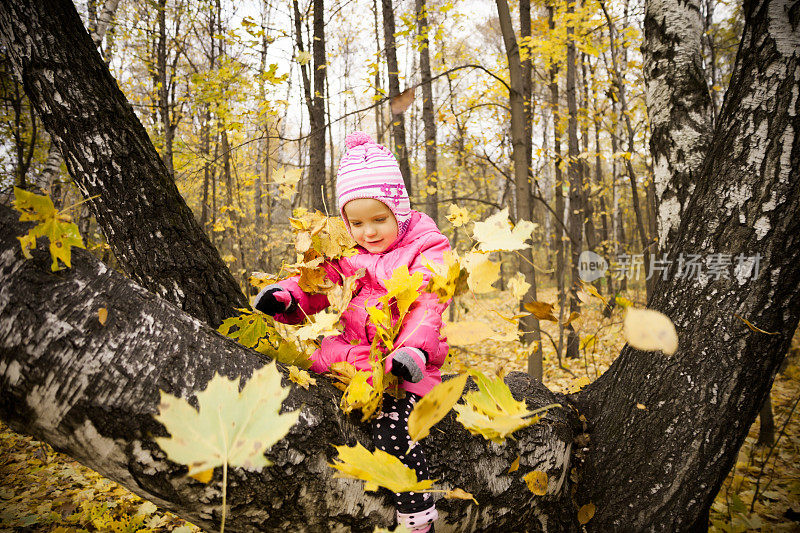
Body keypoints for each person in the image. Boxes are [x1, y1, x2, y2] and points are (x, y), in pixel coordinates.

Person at [254, 131, 450, 533]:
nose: (369, 232)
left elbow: (428, 303)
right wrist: (288, 298)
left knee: (393, 430)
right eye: (356, 223)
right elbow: (317, 281)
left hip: (398, 367)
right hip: (347, 356)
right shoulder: (347, 254)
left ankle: (417, 511)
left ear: (399, 210)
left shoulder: (424, 248)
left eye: (379, 219)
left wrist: (411, 353)